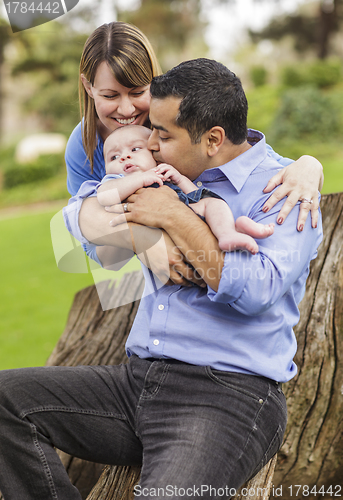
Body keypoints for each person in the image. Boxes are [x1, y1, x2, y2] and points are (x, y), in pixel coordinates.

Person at [0, 58, 323, 500]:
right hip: (136, 384)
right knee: (5, 401)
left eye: (163, 135)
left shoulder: (286, 191)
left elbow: (259, 290)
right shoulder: (166, 175)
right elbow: (76, 215)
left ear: (212, 139)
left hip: (227, 397)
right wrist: (137, 232)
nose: (149, 144)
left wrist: (175, 217)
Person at [63, 21, 323, 280]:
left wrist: (310, 165)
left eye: (137, 92)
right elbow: (87, 225)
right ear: (89, 88)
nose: (127, 109)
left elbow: (247, 155)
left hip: (194, 219)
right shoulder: (85, 143)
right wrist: (141, 239)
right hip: (145, 252)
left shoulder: (177, 118)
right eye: (110, 96)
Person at [73, 124, 275, 256]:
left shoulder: (162, 170)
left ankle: (230, 231)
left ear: (154, 154)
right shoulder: (114, 180)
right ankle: (236, 230)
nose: (124, 157)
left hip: (189, 212)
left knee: (212, 202)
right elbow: (105, 196)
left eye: (135, 149)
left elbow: (193, 194)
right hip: (165, 229)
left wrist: (179, 178)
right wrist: (140, 179)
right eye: (114, 157)